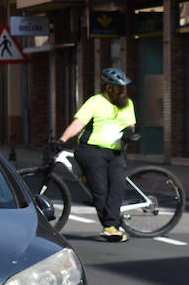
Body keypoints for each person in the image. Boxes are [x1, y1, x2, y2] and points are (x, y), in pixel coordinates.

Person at [59, 67, 137, 242]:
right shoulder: (95, 102)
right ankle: (111, 226)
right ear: (109, 87)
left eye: (124, 88)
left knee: (117, 188)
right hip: (92, 150)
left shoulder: (128, 104)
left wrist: (129, 133)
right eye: (119, 88)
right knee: (100, 190)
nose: (123, 91)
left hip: (116, 151)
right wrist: (62, 140)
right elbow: (78, 123)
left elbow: (131, 125)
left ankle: (112, 225)